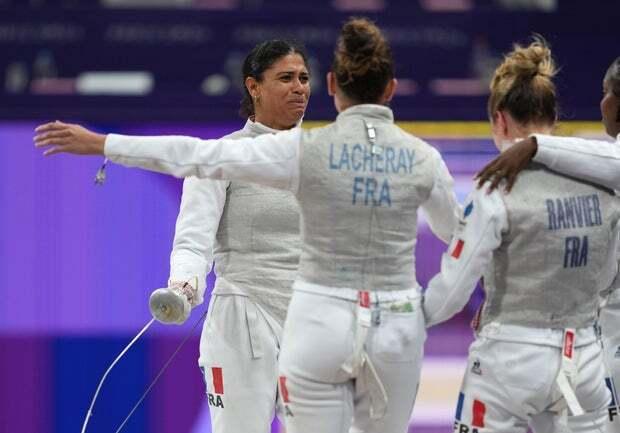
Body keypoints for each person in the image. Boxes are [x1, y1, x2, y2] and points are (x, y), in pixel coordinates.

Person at [34, 17, 460, 433]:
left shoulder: (317, 154)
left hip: (313, 321)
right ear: (253, 86)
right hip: (244, 319)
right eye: (285, 78)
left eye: (303, 78)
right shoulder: (234, 153)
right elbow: (193, 238)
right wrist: (184, 285)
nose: (299, 87)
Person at [423, 40, 620, 433]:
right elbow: (605, 280)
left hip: (508, 362)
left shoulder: (495, 185)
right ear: (554, 117)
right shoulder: (604, 183)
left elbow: (454, 288)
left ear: (499, 119)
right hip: (583, 360)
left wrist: (406, 320)